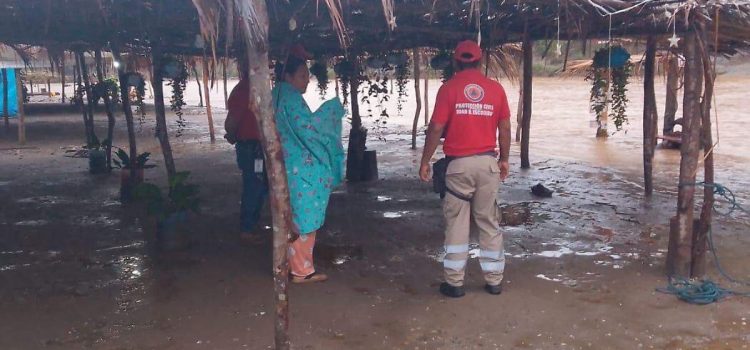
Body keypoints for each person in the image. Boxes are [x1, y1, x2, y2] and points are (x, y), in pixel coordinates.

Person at [419, 40, 512, 298]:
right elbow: (504, 128)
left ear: (455, 62)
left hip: (458, 166)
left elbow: (436, 128)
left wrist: (425, 160)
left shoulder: (448, 89)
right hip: (487, 163)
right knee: (489, 222)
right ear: (480, 62)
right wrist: (504, 159)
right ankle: (494, 281)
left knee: (457, 224)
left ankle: (455, 283)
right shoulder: (496, 89)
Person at [272, 47, 346, 284]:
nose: (307, 79)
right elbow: (310, 129)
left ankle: (285, 264)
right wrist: (332, 111)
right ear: (288, 77)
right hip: (299, 169)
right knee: (305, 218)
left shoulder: (276, 96)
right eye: (303, 75)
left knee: (289, 216)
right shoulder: (291, 98)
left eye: (308, 75)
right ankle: (302, 271)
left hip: (285, 165)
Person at [224, 62, 267, 242]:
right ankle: (247, 228)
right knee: (254, 185)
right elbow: (232, 120)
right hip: (251, 147)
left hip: (255, 146)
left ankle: (252, 223)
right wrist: (233, 135)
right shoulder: (244, 91)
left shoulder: (255, 88)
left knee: (259, 185)